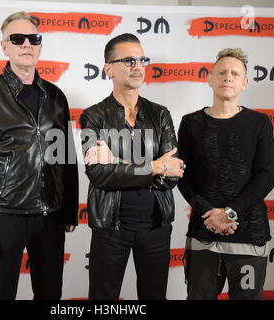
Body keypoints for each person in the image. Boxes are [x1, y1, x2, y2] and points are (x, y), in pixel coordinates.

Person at [0, 11, 78, 300]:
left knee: (51, 295)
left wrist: (70, 208)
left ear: (40, 45)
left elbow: (67, 158)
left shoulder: (56, 95)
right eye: (17, 38)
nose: (26, 44)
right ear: (5, 47)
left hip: (50, 215)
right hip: (3, 216)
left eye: (33, 38)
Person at [79, 33, 184, 300]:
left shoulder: (160, 114)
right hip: (110, 227)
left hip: (156, 226)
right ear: (109, 68)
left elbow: (173, 173)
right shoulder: (94, 116)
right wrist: (155, 166)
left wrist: (118, 164)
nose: (138, 66)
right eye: (128, 60)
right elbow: (100, 174)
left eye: (141, 60)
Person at [178, 48, 274, 300]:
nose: (227, 77)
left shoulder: (259, 123)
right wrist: (209, 214)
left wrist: (229, 213)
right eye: (221, 72)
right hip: (203, 235)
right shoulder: (190, 123)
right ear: (210, 79)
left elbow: (265, 177)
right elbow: (183, 177)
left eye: (235, 73)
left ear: (244, 83)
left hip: (249, 239)